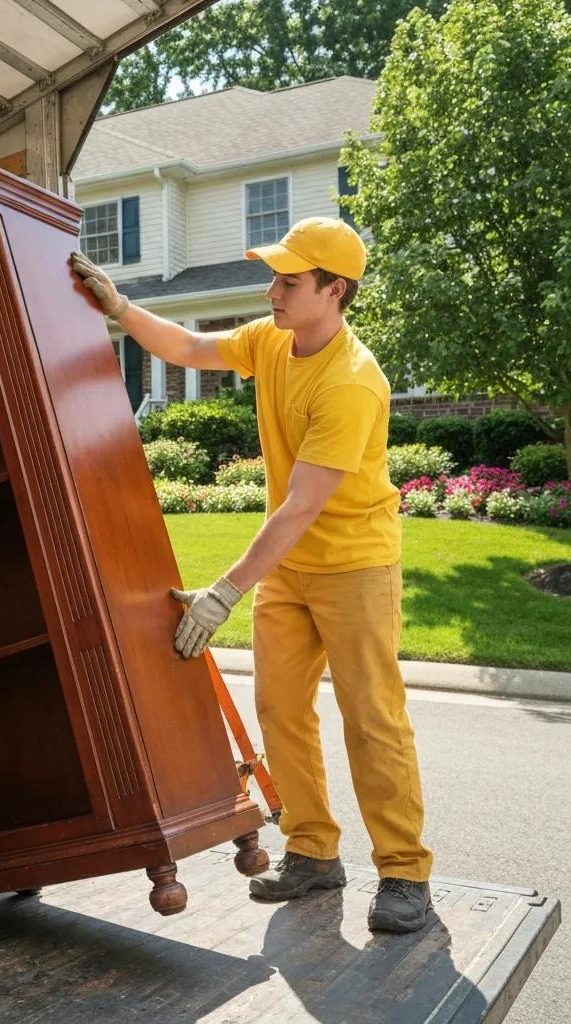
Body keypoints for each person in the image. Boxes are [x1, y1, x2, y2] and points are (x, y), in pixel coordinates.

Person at [71, 218, 433, 934]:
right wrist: (121, 309)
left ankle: (404, 872)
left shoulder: (354, 382)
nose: (273, 291)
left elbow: (300, 507)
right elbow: (191, 346)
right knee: (280, 710)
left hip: (355, 565)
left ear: (335, 291)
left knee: (372, 719)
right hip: (290, 570)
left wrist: (224, 592)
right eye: (275, 277)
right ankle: (312, 854)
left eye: (290, 281)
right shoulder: (272, 342)